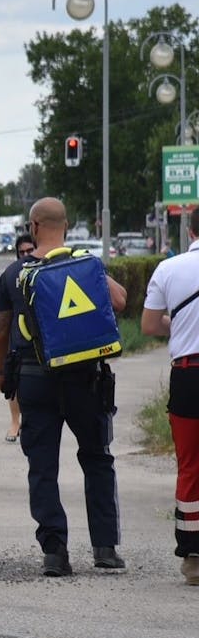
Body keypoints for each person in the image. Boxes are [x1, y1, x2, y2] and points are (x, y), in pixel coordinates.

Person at [0, 197, 126, 577]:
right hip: (85, 379)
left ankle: (55, 552)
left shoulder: (15, 273)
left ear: (33, 228)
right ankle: (105, 549)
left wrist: (2, 374)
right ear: (66, 226)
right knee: (97, 458)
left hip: (34, 380)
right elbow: (120, 299)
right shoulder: (86, 263)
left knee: (43, 466)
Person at [139, 221, 199, 585]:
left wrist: (178, 326)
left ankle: (193, 558)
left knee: (190, 465)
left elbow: (148, 325)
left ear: (190, 232)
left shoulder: (169, 268)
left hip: (189, 375)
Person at [0, 233, 36, 443]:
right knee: (11, 377)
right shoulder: (11, 274)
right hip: (13, 333)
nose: (25, 255)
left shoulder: (44, 270)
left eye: (29, 251)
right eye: (21, 252)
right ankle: (15, 422)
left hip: (36, 337)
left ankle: (29, 421)